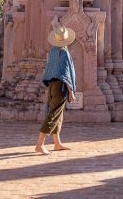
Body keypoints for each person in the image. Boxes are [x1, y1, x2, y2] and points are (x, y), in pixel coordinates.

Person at [35, 23, 77, 155]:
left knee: (58, 115)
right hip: (60, 86)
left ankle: (57, 143)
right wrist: (71, 91)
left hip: (52, 85)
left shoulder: (52, 51)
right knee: (53, 114)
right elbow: (65, 73)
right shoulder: (64, 53)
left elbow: (50, 70)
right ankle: (39, 144)